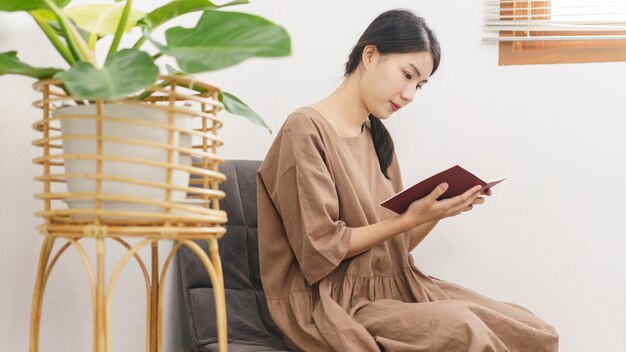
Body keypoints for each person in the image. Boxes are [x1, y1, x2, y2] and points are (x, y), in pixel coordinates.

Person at [256, 8, 559, 352]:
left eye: (420, 85)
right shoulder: (305, 129)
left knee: (532, 329)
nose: (410, 94)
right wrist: (412, 218)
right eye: (407, 75)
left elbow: (391, 250)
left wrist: (434, 213)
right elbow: (321, 250)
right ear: (370, 56)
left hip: (392, 288)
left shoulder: (377, 138)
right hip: (334, 302)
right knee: (465, 330)